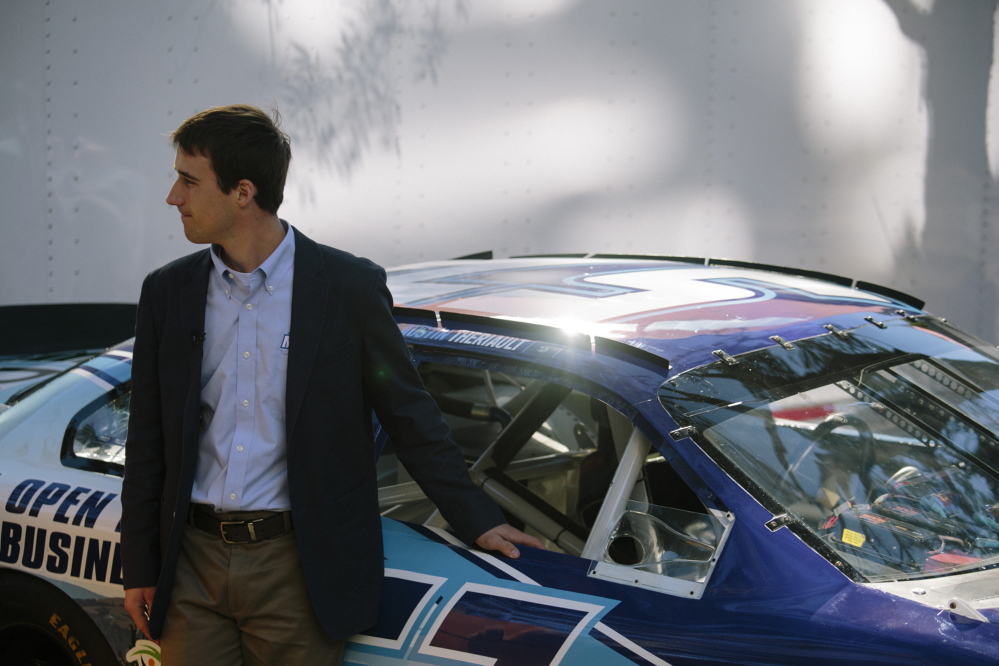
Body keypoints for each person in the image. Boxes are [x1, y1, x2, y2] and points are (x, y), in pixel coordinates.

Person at [120, 104, 541, 665]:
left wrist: (478, 518)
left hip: (299, 568)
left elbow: (409, 415)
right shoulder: (167, 293)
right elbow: (147, 440)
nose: (174, 196)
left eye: (188, 180)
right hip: (190, 562)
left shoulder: (348, 288)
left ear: (242, 192)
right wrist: (140, 567)